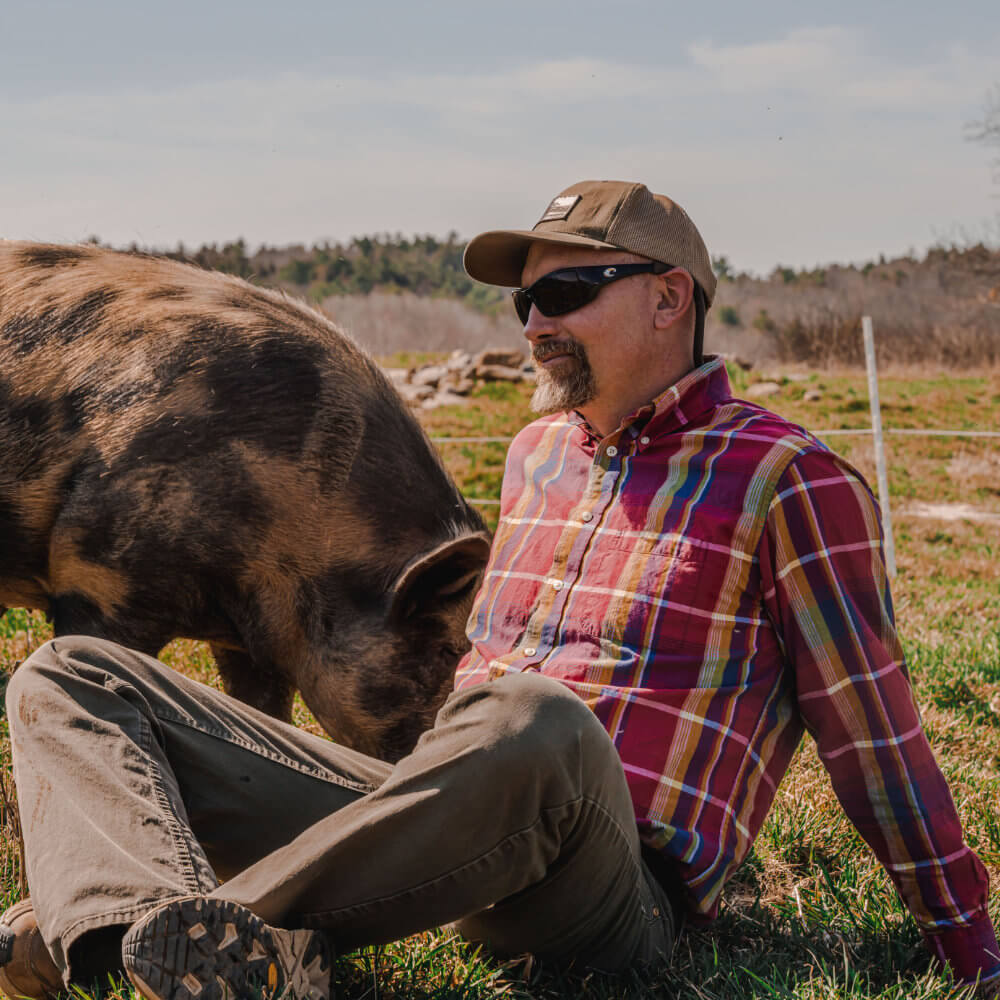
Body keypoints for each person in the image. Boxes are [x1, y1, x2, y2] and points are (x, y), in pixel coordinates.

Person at [1, 180, 997, 1000]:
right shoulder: (535, 459)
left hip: (609, 886)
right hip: (448, 829)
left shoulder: (791, 480)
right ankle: (128, 936)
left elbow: (875, 738)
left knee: (531, 718)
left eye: (567, 295)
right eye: (525, 303)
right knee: (71, 674)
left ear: (669, 297)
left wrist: (970, 948)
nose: (534, 325)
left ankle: (237, 937)